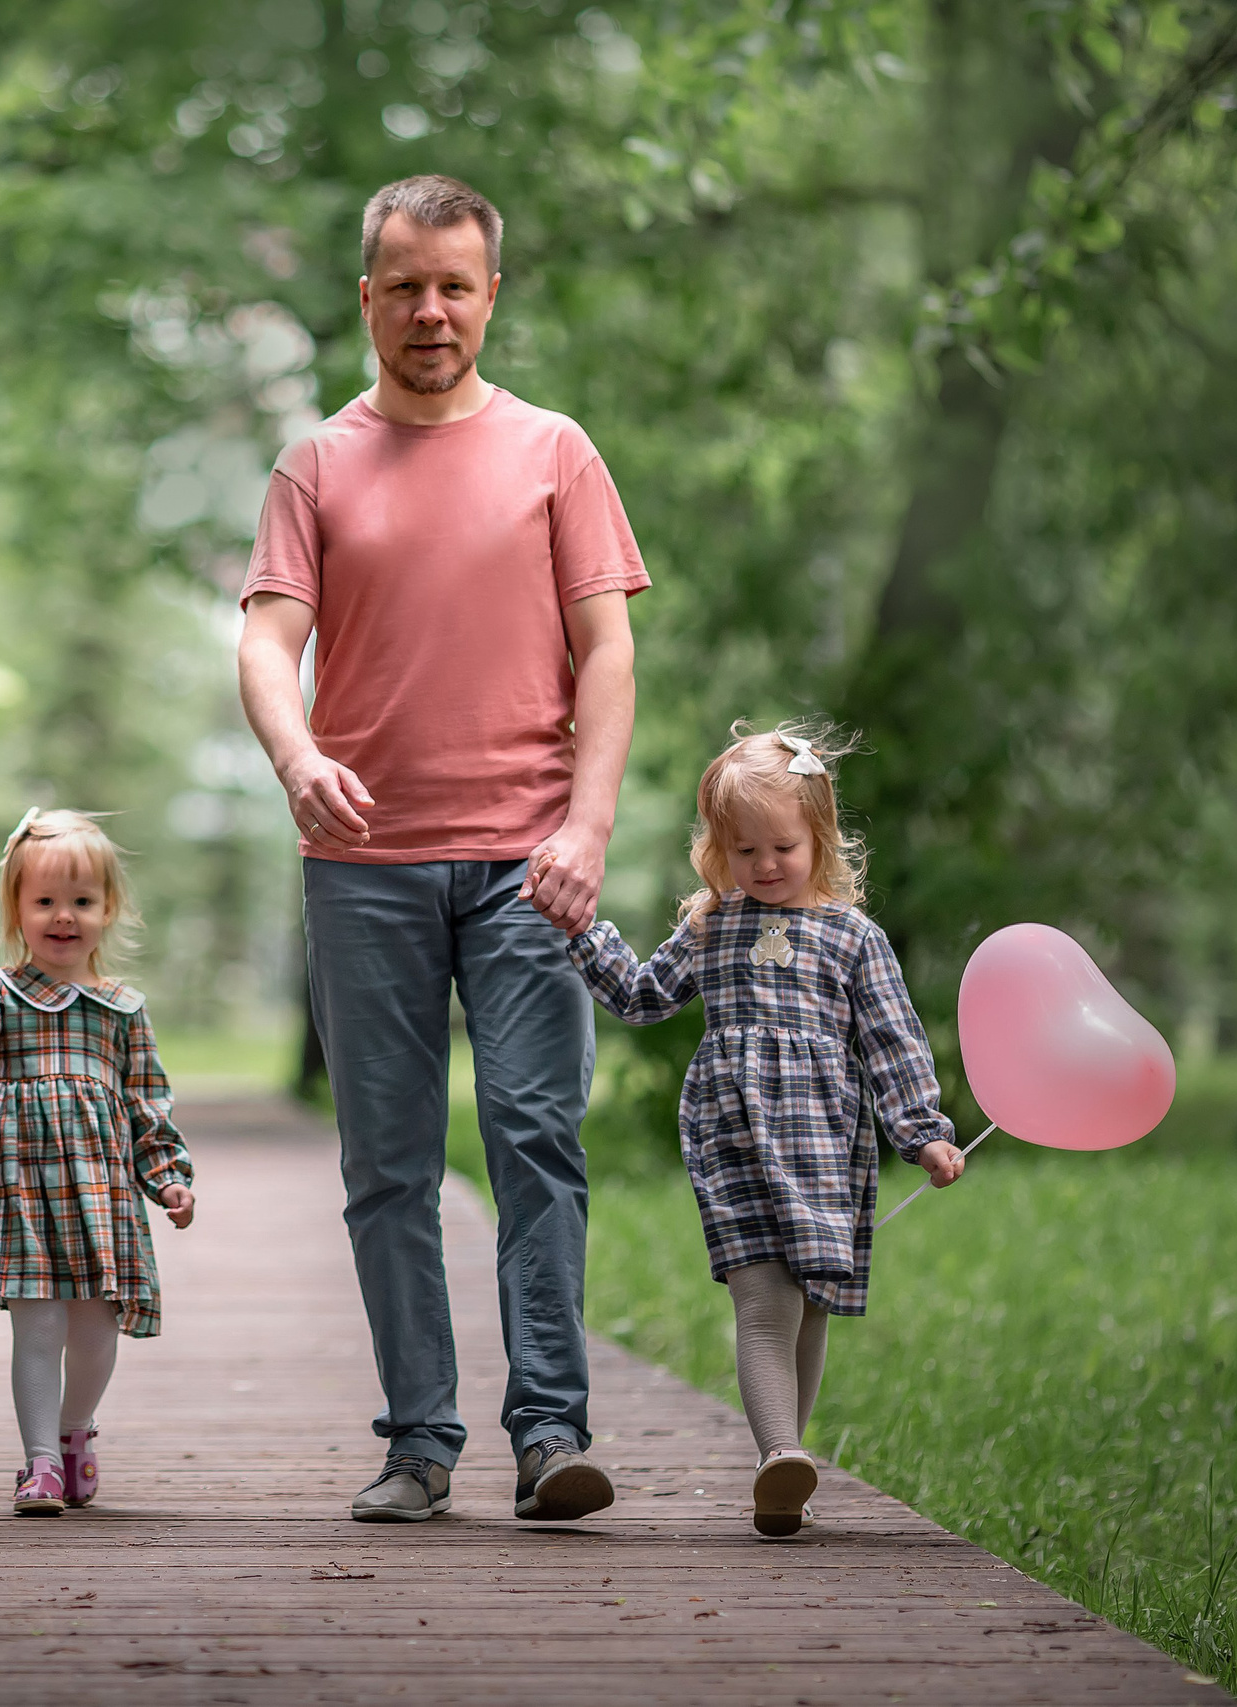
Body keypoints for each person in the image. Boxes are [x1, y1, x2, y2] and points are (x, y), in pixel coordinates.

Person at [236, 175, 649, 1524]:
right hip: (365, 869)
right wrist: (299, 756)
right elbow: (265, 638)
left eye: (454, 285)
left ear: (489, 294)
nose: (430, 310)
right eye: (405, 285)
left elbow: (608, 649)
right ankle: (420, 1439)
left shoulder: (556, 452)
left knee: (537, 1138)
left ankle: (551, 1434)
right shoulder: (316, 464)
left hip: (534, 864)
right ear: (367, 296)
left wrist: (588, 824)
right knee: (390, 1166)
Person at [537, 723, 966, 1538]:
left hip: (822, 1147)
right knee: (763, 1297)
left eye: (783, 847)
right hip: (732, 1138)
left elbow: (893, 1042)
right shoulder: (713, 927)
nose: (765, 865)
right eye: (744, 851)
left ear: (820, 840)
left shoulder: (854, 940)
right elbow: (639, 996)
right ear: (717, 853)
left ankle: (786, 1477)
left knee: (808, 1304)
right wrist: (582, 930)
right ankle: (778, 1453)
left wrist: (925, 1132)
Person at [0, 810, 196, 1515]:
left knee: (97, 1326)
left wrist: (167, 1176)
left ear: (109, 910)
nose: (63, 916)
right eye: (44, 900)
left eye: (82, 900)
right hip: (23, 1186)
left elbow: (147, 1102)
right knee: (38, 1323)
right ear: (17, 908)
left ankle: (76, 1430)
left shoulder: (121, 1010)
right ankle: (40, 1461)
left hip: (101, 1190)